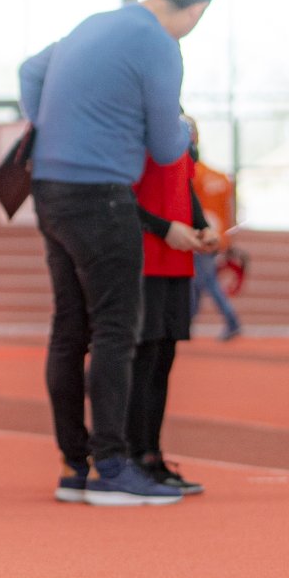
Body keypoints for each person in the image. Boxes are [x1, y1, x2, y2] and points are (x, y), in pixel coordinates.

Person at [18, 0, 215, 506]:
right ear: (197, 9)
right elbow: (165, 145)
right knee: (114, 330)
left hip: (50, 186)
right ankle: (111, 465)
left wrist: (51, 123)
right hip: (103, 196)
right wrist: (181, 127)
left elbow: (30, 71)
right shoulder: (159, 44)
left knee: (69, 329)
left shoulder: (96, 22)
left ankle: (74, 466)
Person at [125, 130, 218, 495]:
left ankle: (152, 454)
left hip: (177, 264)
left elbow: (186, 188)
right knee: (143, 361)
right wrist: (164, 229)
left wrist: (203, 226)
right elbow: (120, 198)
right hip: (143, 263)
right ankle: (134, 457)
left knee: (163, 361)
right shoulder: (136, 134)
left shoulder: (180, 134)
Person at [187, 133, 242, 340]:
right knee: (200, 281)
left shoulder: (193, 175)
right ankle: (188, 321)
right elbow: (230, 211)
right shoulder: (221, 177)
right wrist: (228, 239)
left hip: (201, 236)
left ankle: (231, 320)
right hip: (219, 236)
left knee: (205, 280)